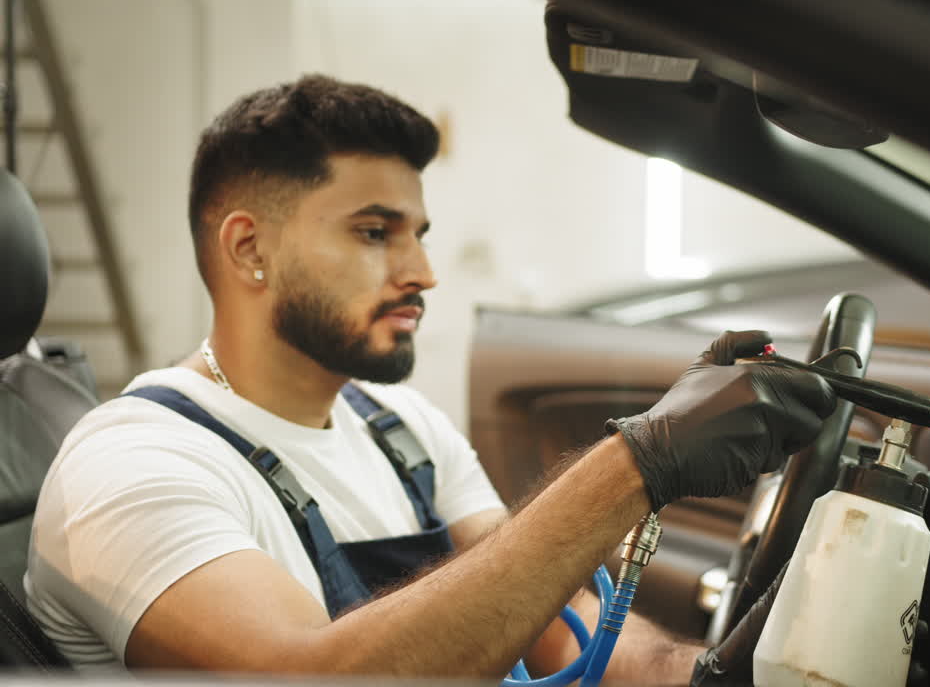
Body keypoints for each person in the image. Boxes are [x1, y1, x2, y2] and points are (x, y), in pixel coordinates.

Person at [24, 74, 835, 678]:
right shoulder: (133, 465)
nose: (422, 271)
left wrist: (711, 674)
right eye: (375, 232)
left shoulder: (400, 428)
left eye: (417, 232)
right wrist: (637, 463)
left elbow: (566, 630)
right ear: (248, 249)